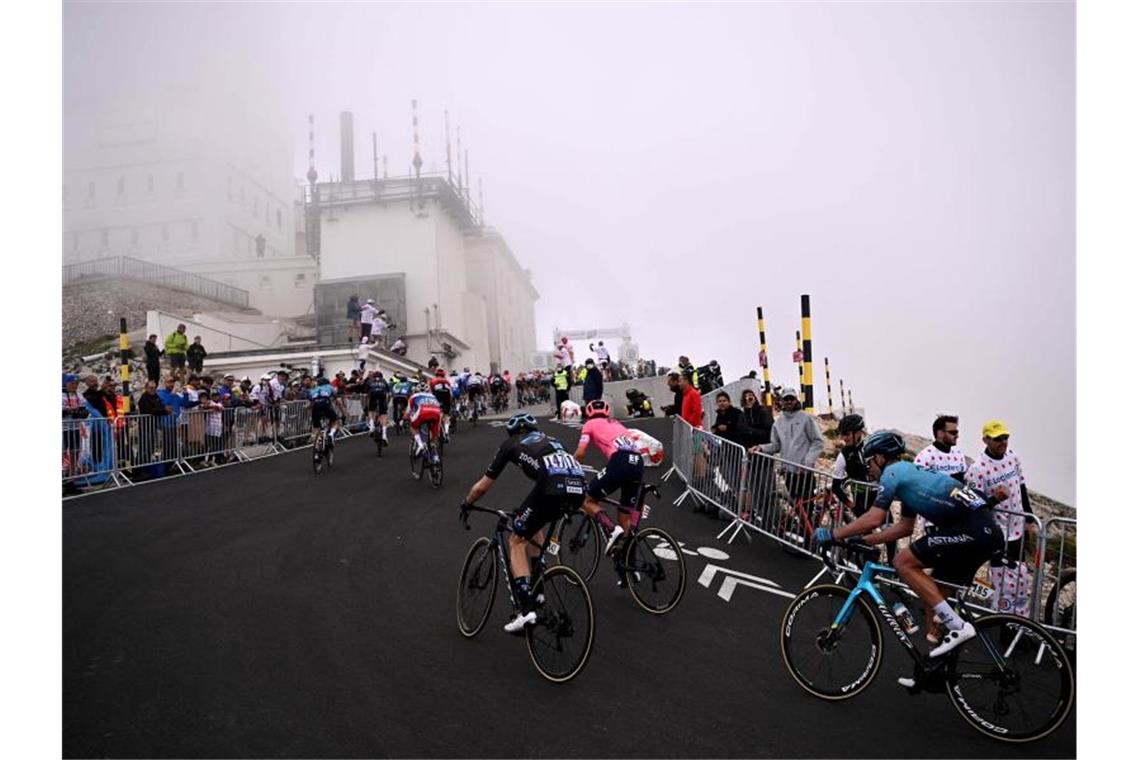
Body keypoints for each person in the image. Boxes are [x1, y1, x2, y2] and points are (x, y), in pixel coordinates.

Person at [814, 431, 1006, 667]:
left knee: (903, 562)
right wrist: (865, 541)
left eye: (869, 463)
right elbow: (904, 527)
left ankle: (958, 626)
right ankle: (933, 667)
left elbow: (874, 518)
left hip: (973, 530)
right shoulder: (909, 476)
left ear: (881, 458)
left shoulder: (892, 473)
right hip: (983, 531)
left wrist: (834, 534)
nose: (869, 470)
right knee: (931, 598)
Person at [460, 413, 587, 633]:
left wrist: (467, 503)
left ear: (514, 432)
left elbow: (482, 487)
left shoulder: (511, 444)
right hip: (578, 488)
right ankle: (538, 593)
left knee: (516, 541)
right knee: (533, 526)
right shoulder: (553, 440)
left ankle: (526, 611)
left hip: (551, 486)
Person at [965, 420, 1034, 619]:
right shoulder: (978, 469)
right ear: (985, 439)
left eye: (1005, 437)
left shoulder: (1013, 457)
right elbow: (973, 505)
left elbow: (1021, 486)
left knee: (1021, 580)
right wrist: (995, 499)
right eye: (997, 439)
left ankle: (1019, 620)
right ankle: (1004, 623)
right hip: (998, 533)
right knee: (1004, 582)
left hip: (1018, 528)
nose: (1003, 442)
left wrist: (1028, 518)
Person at [573, 400, 645, 559]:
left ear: (588, 413)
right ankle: (627, 562)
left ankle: (613, 530)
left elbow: (581, 453)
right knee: (624, 514)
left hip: (621, 461)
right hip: (638, 462)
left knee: (587, 499)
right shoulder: (617, 423)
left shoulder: (589, 424)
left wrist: (570, 466)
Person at [752, 385, 822, 503]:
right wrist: (761, 448)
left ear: (796, 400)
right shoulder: (778, 423)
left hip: (804, 472)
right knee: (796, 505)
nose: (789, 401)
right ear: (781, 401)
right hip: (788, 472)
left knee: (808, 505)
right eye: (786, 399)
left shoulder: (806, 418)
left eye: (791, 398)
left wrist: (807, 463)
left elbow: (817, 442)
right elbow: (776, 445)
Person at [914, 414, 967, 481]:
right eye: (953, 432)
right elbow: (917, 482)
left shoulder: (959, 456)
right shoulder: (925, 456)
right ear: (940, 433)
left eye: (957, 432)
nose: (957, 436)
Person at [405, 383, 443, 459]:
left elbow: (407, 412)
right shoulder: (433, 396)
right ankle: (435, 457)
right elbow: (439, 409)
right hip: (436, 413)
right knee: (434, 434)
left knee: (413, 427)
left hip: (422, 413)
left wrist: (405, 419)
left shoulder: (414, 396)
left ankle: (420, 444)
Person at [308, 375, 340, 449]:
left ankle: (317, 440)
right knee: (335, 421)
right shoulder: (329, 387)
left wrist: (307, 407)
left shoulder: (313, 389)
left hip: (316, 405)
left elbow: (311, 403)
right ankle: (331, 433)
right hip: (326, 403)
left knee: (316, 426)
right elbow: (335, 396)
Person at [365, 370, 390, 445]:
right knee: (384, 415)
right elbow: (389, 393)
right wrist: (387, 403)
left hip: (373, 395)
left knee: (371, 411)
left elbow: (366, 394)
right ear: (381, 376)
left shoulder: (370, 381)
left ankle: (372, 427)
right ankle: (384, 436)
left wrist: (367, 405)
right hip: (382, 396)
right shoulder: (384, 381)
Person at [429, 368, 454, 439]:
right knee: (446, 415)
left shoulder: (433, 381)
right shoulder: (447, 381)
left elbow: (430, 393)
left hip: (437, 396)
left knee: (435, 413)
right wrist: (451, 402)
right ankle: (446, 431)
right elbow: (450, 393)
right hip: (446, 396)